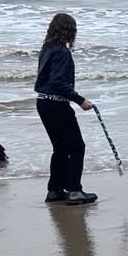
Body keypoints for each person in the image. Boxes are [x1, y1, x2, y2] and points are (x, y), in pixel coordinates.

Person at [35, 12, 97, 205]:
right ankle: (74, 191)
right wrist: (79, 100)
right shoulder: (62, 52)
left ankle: (54, 190)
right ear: (70, 31)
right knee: (77, 147)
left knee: (60, 148)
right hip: (56, 104)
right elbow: (58, 82)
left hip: (43, 103)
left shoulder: (47, 48)